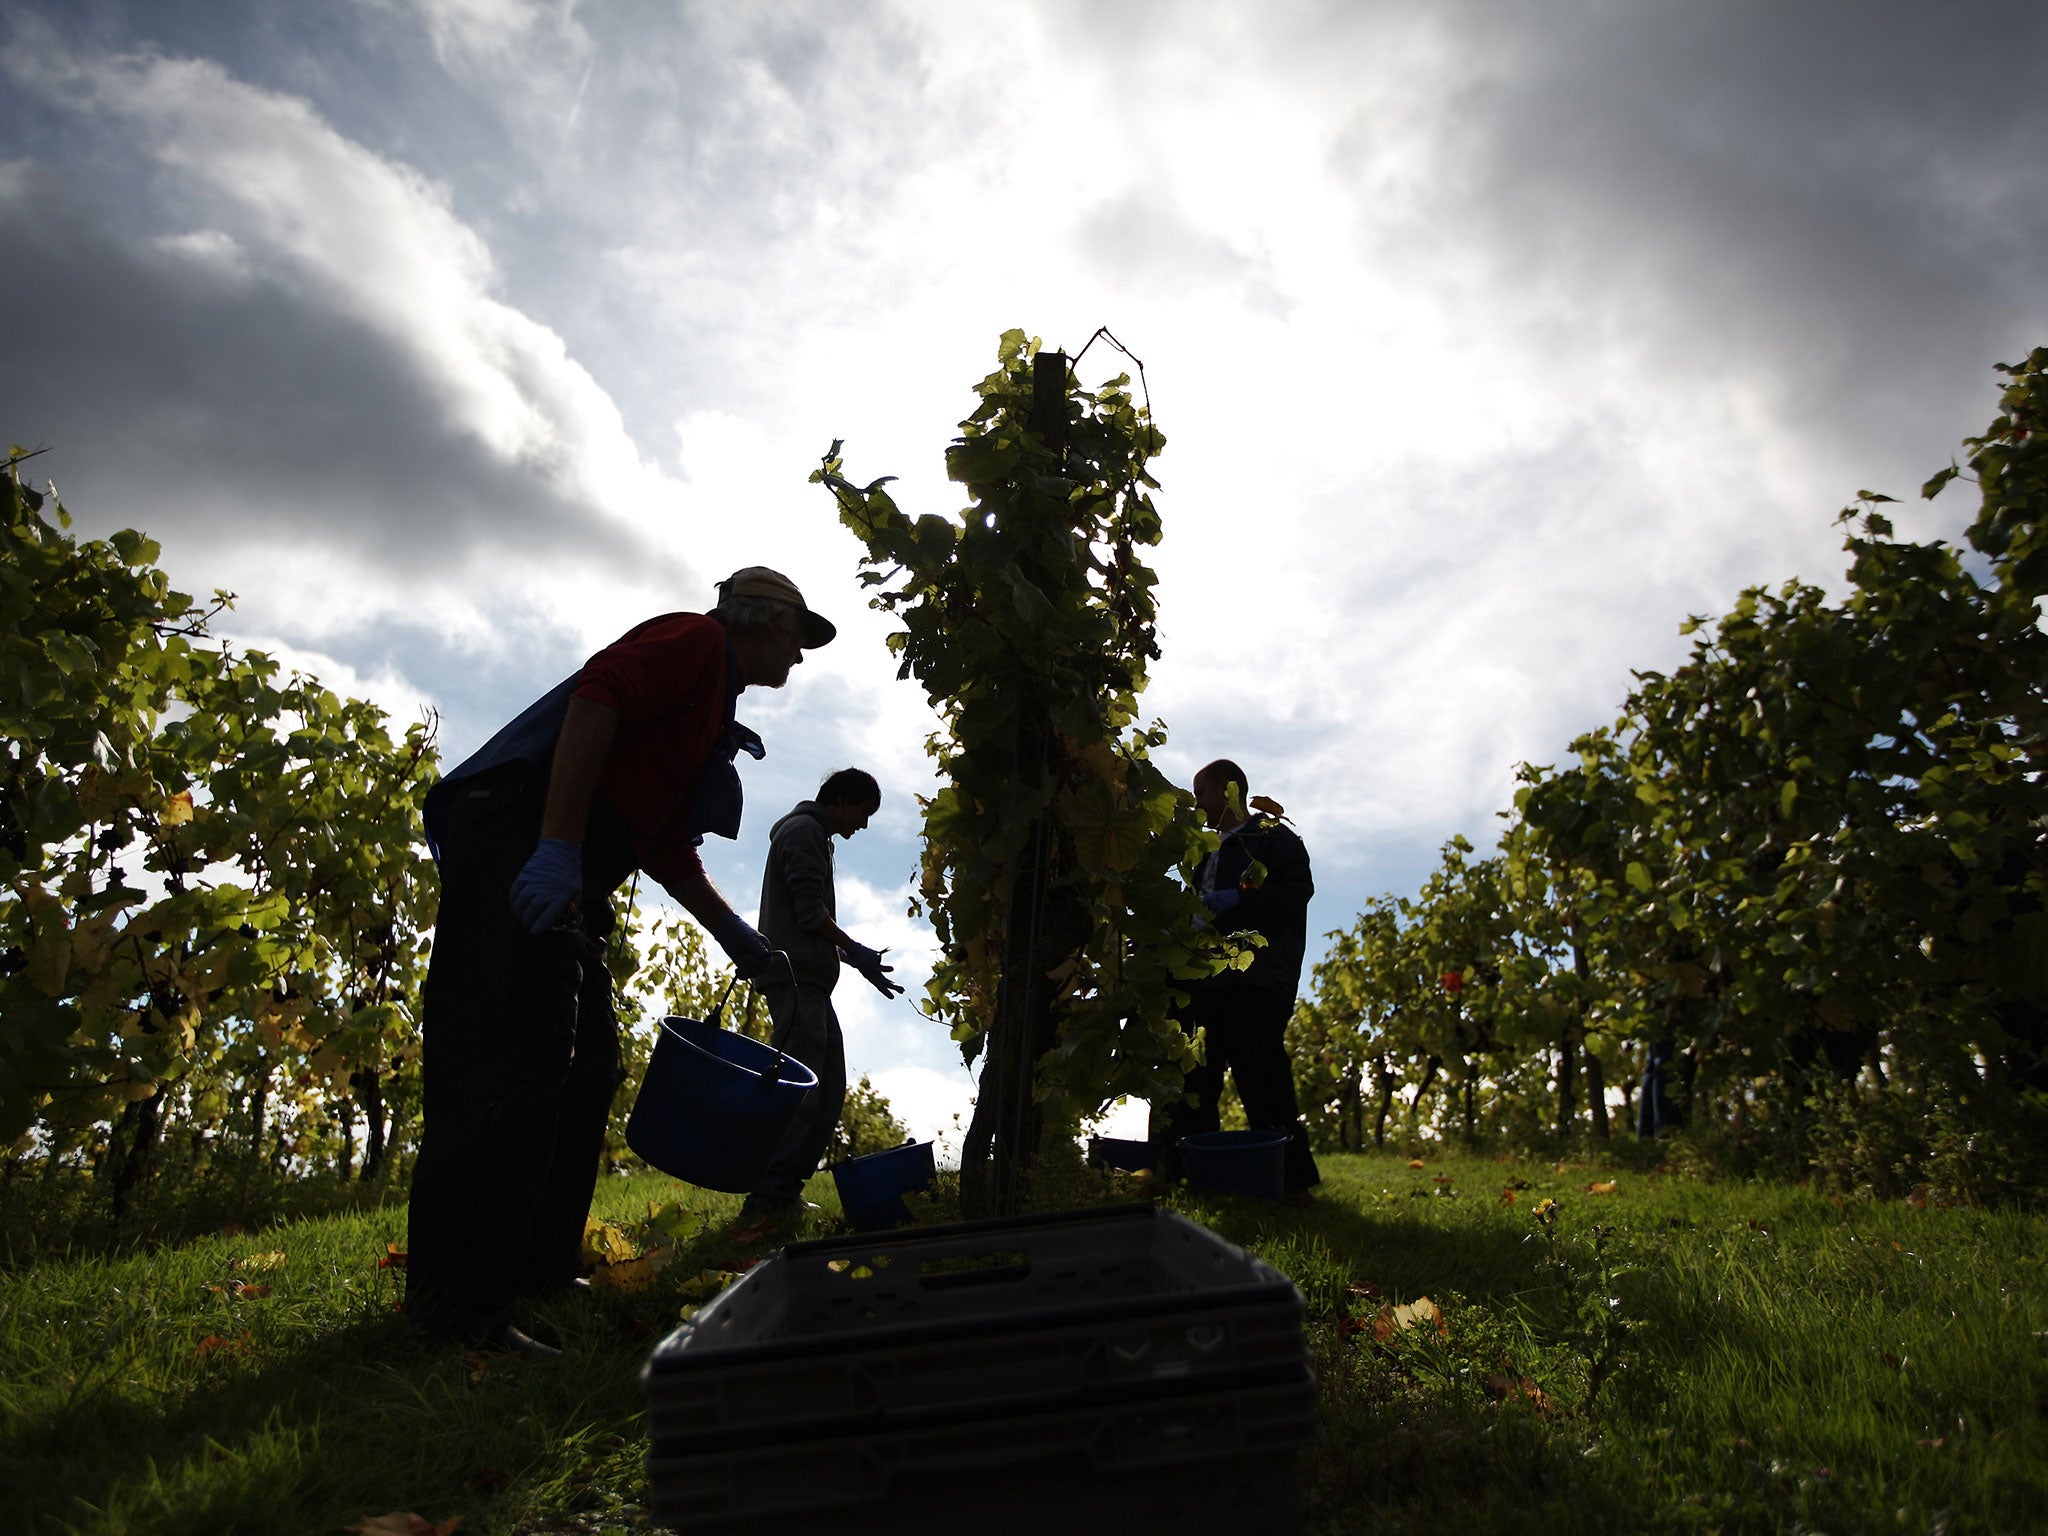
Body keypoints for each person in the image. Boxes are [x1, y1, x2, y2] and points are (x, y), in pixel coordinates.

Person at [405, 567, 834, 1354]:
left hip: (565, 856)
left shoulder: (713, 706)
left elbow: (662, 843)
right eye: (796, 638)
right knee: (508, 1069)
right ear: (762, 621)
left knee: (587, 1065)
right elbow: (598, 694)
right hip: (519, 837)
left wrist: (735, 934)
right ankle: (458, 1311)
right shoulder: (697, 640)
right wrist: (557, 846)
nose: (799, 659)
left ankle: (539, 1268)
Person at [734, 768, 903, 1240]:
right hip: (793, 980)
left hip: (809, 981)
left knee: (828, 1086)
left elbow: (809, 917)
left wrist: (852, 960)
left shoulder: (815, 836)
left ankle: (784, 1189)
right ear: (842, 799)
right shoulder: (803, 832)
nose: (863, 826)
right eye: (863, 813)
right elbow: (810, 913)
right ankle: (766, 1198)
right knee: (799, 1091)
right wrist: (855, 950)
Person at [1151, 758, 1322, 1194]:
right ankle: (1188, 1177)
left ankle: (1292, 1184)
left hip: (1255, 980)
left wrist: (1240, 901)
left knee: (1261, 1075)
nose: (1197, 804)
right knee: (1193, 1079)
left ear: (1229, 790)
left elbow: (1295, 893)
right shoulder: (1205, 850)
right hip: (1201, 980)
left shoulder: (1273, 839)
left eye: (1201, 793)